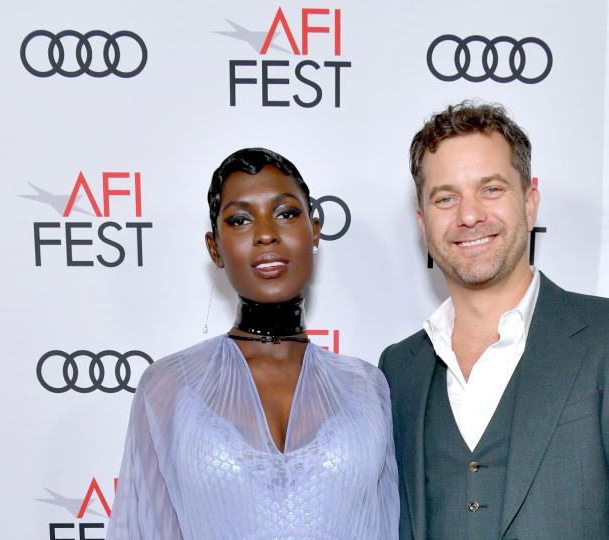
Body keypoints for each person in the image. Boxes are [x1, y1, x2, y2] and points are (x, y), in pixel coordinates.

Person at [379, 102, 609, 539]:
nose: (469, 216)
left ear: (529, 204)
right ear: (423, 222)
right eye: (446, 197)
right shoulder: (398, 367)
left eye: (490, 189)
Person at [108, 148, 398, 539]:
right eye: (241, 220)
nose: (266, 234)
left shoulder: (366, 387)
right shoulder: (168, 387)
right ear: (215, 248)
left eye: (286, 213)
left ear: (314, 231)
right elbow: (143, 529)